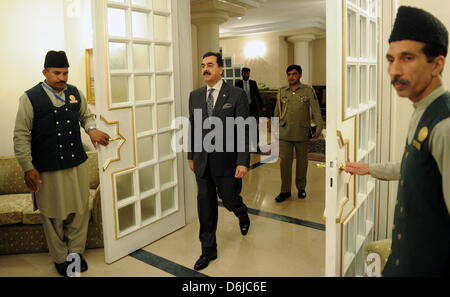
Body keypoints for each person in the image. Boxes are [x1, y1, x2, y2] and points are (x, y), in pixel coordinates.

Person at [345, 6, 450, 277]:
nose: (394, 70)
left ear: (437, 64)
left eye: (407, 58)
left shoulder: (444, 125)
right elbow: (416, 167)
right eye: (390, 59)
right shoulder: (422, 111)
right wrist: (369, 168)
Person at [13, 50, 110, 277]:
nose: (62, 78)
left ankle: (75, 253)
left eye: (65, 73)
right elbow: (21, 135)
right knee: (53, 214)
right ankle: (60, 258)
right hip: (47, 167)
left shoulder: (75, 93)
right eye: (57, 73)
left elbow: (85, 115)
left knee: (79, 210)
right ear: (45, 72)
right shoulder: (29, 98)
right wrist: (27, 166)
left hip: (76, 163)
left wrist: (91, 129)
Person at [188, 52, 251, 271]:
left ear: (220, 69)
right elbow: (193, 127)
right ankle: (208, 250)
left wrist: (243, 161)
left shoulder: (236, 94)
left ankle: (242, 212)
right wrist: (190, 155)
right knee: (205, 208)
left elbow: (244, 129)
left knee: (230, 199)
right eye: (203, 65)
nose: (205, 69)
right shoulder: (195, 95)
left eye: (210, 65)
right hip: (203, 163)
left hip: (228, 162)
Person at [273, 65, 324, 202]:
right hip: (285, 133)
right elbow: (277, 112)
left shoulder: (308, 91)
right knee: (284, 163)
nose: (291, 77)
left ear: (300, 75)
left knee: (302, 162)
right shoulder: (282, 91)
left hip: (302, 132)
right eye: (289, 74)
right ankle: (285, 191)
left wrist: (319, 127)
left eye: (294, 74)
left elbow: (316, 110)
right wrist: (274, 129)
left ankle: (301, 188)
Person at [235, 67, 265, 152]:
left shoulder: (253, 83)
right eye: (245, 73)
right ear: (242, 74)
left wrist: (262, 106)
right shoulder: (238, 84)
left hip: (253, 108)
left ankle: (256, 144)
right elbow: (235, 96)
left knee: (254, 126)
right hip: (242, 108)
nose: (246, 75)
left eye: (248, 73)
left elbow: (257, 95)